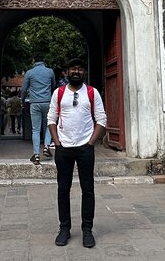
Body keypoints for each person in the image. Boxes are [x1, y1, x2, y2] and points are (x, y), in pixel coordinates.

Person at [47, 58, 106, 248]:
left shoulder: (91, 92)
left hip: (85, 148)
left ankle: (87, 230)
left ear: (84, 72)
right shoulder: (59, 93)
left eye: (80, 69)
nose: (76, 72)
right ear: (67, 72)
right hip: (64, 148)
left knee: (87, 190)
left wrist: (90, 143)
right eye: (73, 68)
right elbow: (51, 118)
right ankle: (64, 229)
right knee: (63, 189)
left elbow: (101, 119)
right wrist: (57, 143)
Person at [21, 54, 56, 165]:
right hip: (47, 102)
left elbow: (24, 89)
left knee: (35, 129)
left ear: (34, 61)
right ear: (44, 61)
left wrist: (22, 100)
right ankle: (46, 146)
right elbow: (53, 85)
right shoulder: (50, 71)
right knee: (48, 125)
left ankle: (36, 155)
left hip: (35, 103)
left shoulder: (29, 73)